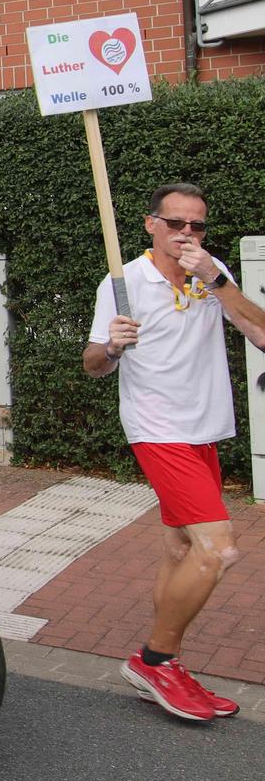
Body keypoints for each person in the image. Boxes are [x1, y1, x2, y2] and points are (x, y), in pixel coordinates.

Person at [84, 182, 265, 722]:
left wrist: (218, 280)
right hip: (157, 428)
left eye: (198, 225)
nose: (187, 233)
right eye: (177, 223)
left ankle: (168, 662)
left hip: (203, 427)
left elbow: (259, 331)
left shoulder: (211, 276)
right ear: (151, 225)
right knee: (217, 549)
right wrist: (112, 346)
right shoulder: (123, 283)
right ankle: (155, 660)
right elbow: (93, 362)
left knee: (182, 551)